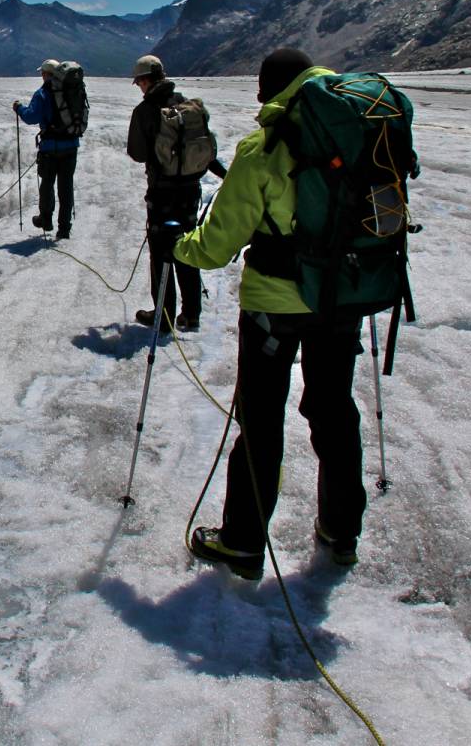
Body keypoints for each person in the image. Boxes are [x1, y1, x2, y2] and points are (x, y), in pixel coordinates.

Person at [173, 48, 365, 580]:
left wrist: (180, 248)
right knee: (334, 409)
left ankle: (242, 542)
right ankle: (341, 530)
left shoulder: (264, 147)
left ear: (271, 90)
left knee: (260, 420)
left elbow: (216, 245)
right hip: (343, 300)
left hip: (274, 308)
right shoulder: (360, 131)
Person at [126, 54, 225, 333]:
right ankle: (191, 314)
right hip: (190, 191)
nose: (139, 87)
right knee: (187, 246)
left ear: (145, 80)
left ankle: (164, 315)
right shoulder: (189, 105)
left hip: (162, 194)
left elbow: (137, 153)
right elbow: (207, 149)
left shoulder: (146, 111)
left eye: (139, 82)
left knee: (161, 253)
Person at [13, 59, 80, 239]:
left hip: (50, 148)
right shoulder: (71, 91)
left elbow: (31, 116)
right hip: (71, 146)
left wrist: (19, 109)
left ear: (45, 74)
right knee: (66, 186)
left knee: (47, 184)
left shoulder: (42, 93)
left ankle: (46, 219)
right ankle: (64, 228)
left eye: (42, 73)